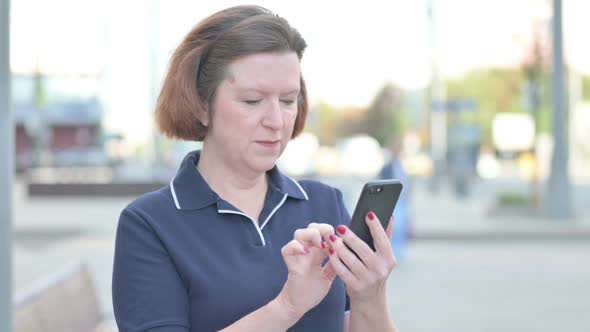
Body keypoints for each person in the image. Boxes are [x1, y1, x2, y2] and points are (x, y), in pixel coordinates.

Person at [112, 5, 398, 332]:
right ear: (201, 106)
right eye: (252, 101)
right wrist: (287, 307)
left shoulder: (324, 203)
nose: (277, 122)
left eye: (289, 100)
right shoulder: (150, 224)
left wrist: (370, 295)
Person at [378, 139, 412, 261]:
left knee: (401, 227)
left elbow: (406, 184)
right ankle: (391, 252)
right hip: (392, 201)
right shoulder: (387, 167)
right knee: (393, 226)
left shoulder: (401, 166)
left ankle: (399, 252)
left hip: (402, 200)